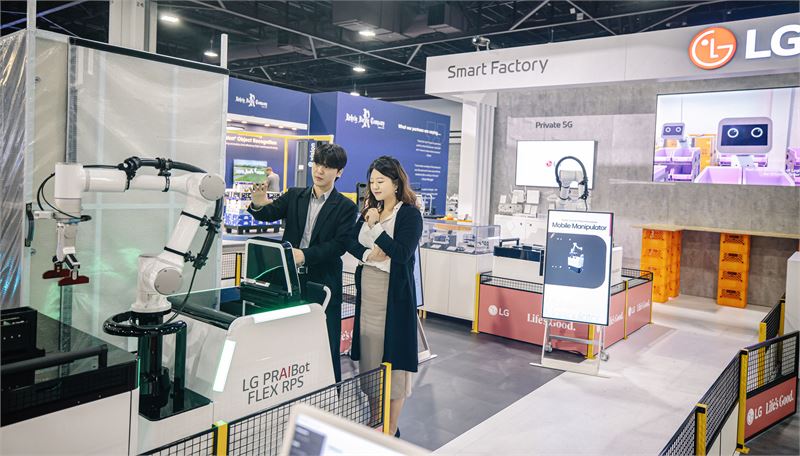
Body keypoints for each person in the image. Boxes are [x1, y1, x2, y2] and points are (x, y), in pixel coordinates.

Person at [248, 143, 357, 383]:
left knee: (325, 339)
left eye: (327, 166)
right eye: (317, 163)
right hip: (291, 281)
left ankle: (330, 393)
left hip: (324, 283)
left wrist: (305, 255)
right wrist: (257, 203)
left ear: (339, 172)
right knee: (290, 338)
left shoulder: (346, 207)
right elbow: (268, 213)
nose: (319, 170)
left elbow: (339, 245)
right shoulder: (295, 195)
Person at [346, 156, 422, 438]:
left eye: (381, 181)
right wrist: (368, 254)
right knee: (370, 356)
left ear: (396, 182)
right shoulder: (369, 209)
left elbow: (401, 253)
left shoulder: (410, 215)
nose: (375, 186)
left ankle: (390, 428)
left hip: (394, 298)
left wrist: (377, 228)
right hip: (368, 295)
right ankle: (375, 418)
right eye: (372, 181)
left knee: (394, 360)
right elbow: (349, 241)